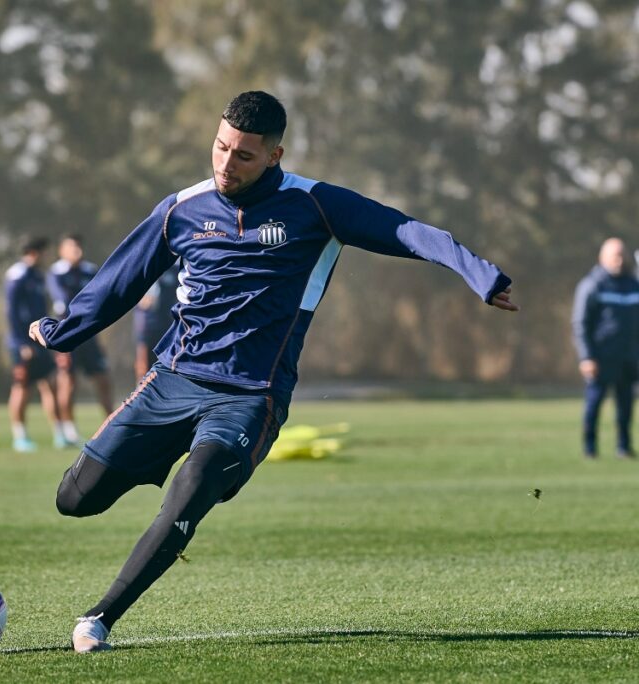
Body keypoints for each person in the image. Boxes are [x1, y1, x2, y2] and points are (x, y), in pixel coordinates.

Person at [28, 91, 518, 652]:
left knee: (195, 483)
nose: (225, 164)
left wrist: (479, 274)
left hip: (251, 395)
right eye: (220, 147)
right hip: (173, 380)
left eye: (243, 156)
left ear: (275, 156)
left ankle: (100, 618)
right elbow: (122, 279)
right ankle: (152, 460)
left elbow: (404, 229)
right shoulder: (182, 209)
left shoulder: (315, 205)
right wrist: (64, 331)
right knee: (75, 499)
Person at [572, 238, 639, 459]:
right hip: (601, 358)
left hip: (628, 358)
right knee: (594, 405)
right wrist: (586, 357)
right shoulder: (592, 285)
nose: (619, 261)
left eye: (622, 255)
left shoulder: (633, 284)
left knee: (626, 407)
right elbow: (580, 323)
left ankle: (624, 447)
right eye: (614, 256)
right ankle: (590, 449)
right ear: (602, 258)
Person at [46, 235, 116, 446]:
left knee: (103, 380)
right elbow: (64, 304)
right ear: (62, 250)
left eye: (79, 246)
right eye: (71, 246)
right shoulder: (56, 273)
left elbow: (102, 297)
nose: (77, 250)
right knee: (68, 382)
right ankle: (68, 431)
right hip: (67, 334)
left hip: (90, 336)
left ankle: (112, 427)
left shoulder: (90, 270)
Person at [4, 237, 62, 452]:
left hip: (39, 341)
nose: (48, 257)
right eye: (45, 252)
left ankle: (60, 433)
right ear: (34, 252)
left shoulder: (38, 276)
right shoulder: (16, 275)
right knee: (22, 388)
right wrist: (21, 343)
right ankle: (19, 436)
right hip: (22, 344)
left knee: (50, 385)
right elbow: (11, 313)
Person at [132, 265, 180, 381]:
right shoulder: (144, 266)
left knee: (168, 364)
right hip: (145, 324)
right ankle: (142, 393)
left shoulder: (174, 270)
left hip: (167, 324)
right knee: (143, 364)